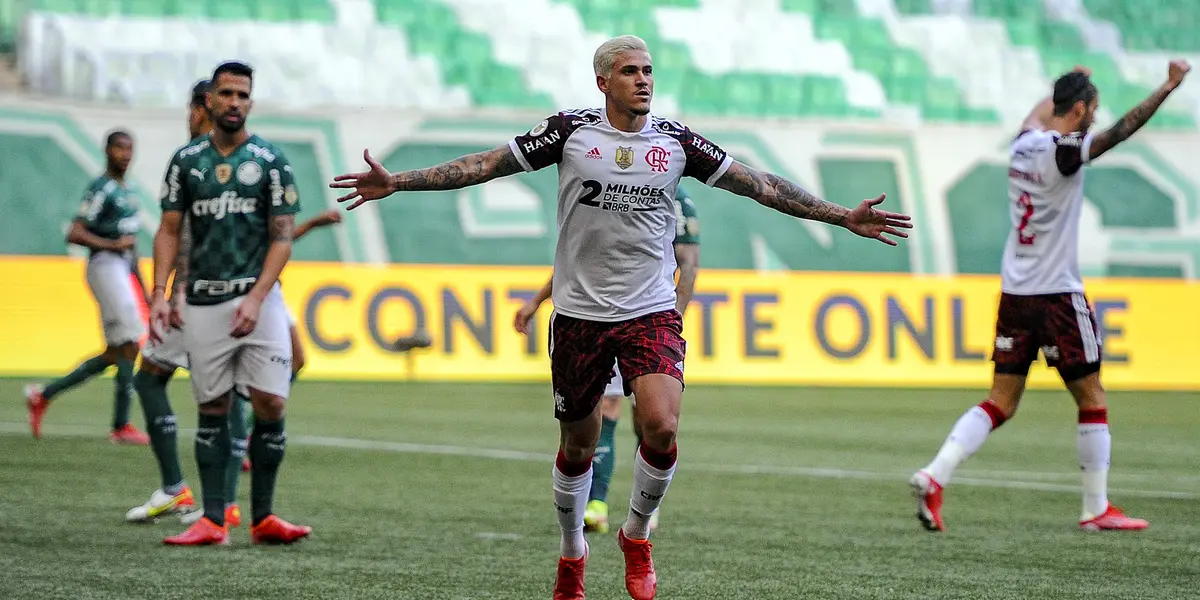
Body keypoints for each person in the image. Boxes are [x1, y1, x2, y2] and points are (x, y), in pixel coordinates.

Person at [331, 35, 910, 600]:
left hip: (650, 311)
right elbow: (486, 164)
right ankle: (571, 553)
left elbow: (758, 185)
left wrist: (840, 216)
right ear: (603, 80)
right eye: (631, 72)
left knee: (661, 426)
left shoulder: (675, 142)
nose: (644, 81)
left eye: (649, 71)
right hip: (580, 316)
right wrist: (398, 182)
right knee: (579, 446)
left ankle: (636, 536)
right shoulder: (569, 132)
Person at [909, 60, 1191, 533]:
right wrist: (1168, 87)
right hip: (1057, 294)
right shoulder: (1064, 154)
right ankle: (1095, 508)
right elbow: (1122, 131)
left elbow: (1041, 115)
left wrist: (1059, 89)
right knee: (1092, 396)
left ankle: (934, 474)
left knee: (1000, 399)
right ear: (1080, 110)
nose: (1096, 120)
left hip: (1016, 293)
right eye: (1092, 111)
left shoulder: (1024, 144)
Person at [126, 78, 342, 526]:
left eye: (240, 96)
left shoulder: (252, 161)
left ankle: (193, 492)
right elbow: (173, 235)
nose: (195, 113)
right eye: (224, 96)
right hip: (203, 294)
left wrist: (176, 292)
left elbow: (270, 236)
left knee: (178, 384)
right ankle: (217, 500)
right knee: (217, 393)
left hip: (231, 292)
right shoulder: (189, 163)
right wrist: (165, 292)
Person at [513, 184, 700, 536]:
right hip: (599, 319)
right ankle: (596, 503)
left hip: (649, 319)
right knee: (606, 406)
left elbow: (688, 264)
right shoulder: (606, 188)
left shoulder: (675, 197)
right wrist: (536, 301)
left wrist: (671, 319)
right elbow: (579, 264)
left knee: (651, 419)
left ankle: (644, 508)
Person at [25, 130, 151, 446]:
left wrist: (147, 290)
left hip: (122, 267)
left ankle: (44, 395)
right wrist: (111, 243)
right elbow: (75, 233)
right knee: (130, 342)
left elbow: (131, 245)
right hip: (104, 265)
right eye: (119, 148)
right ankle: (121, 426)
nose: (125, 154)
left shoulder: (130, 191)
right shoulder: (102, 188)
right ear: (107, 150)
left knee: (117, 351)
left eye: (130, 149)